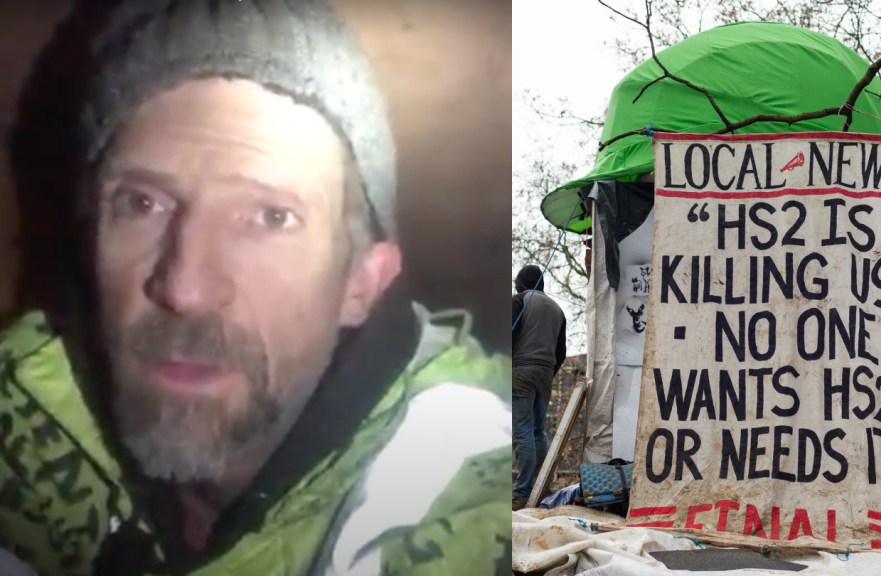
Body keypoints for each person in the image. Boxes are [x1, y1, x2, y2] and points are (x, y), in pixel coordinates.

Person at [0, 1, 512, 575]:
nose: (185, 288)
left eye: (271, 217)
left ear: (361, 284)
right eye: (142, 203)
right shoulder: (20, 406)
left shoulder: (459, 475)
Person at [512, 265, 566, 510]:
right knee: (538, 431)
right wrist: (549, 372)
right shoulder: (557, 309)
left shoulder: (519, 300)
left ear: (523, 282)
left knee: (522, 430)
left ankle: (522, 493)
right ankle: (541, 487)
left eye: (516, 281)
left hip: (521, 369)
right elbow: (561, 351)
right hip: (546, 370)